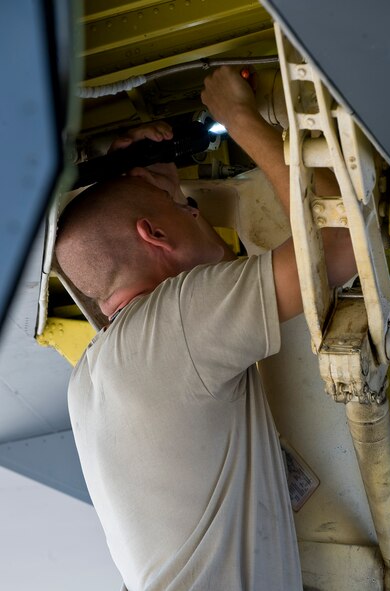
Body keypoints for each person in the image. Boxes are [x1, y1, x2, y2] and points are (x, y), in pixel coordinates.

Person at [55, 66, 356, 591]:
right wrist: (240, 117)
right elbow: (335, 248)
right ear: (153, 235)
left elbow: (104, 260)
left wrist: (154, 183)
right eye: (187, 206)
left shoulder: (96, 375)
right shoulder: (174, 322)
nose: (201, 214)